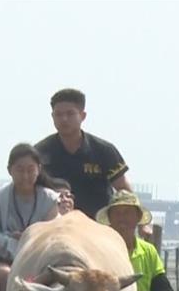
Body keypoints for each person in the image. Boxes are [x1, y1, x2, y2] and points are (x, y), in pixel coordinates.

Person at [35, 88, 132, 219]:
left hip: (97, 225)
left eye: (70, 114)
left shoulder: (104, 151)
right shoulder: (39, 152)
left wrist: (140, 222)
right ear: (52, 117)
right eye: (58, 114)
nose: (64, 119)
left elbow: (123, 190)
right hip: (52, 224)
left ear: (83, 116)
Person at [0, 143, 59, 291]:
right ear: (9, 170)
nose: (25, 176)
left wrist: (22, 237)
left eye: (30, 170)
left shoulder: (50, 199)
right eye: (20, 170)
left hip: (40, 263)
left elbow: (50, 239)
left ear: (39, 169)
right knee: (2, 275)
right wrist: (7, 242)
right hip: (7, 262)